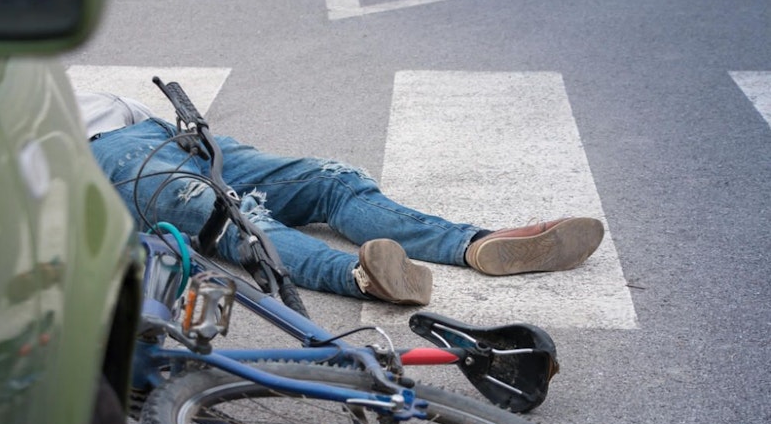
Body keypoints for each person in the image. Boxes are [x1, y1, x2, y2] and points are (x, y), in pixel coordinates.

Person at [78, 91, 605, 306]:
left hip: (171, 134)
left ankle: (475, 244)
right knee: (237, 218)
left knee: (330, 179)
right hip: (106, 158)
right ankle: (363, 277)